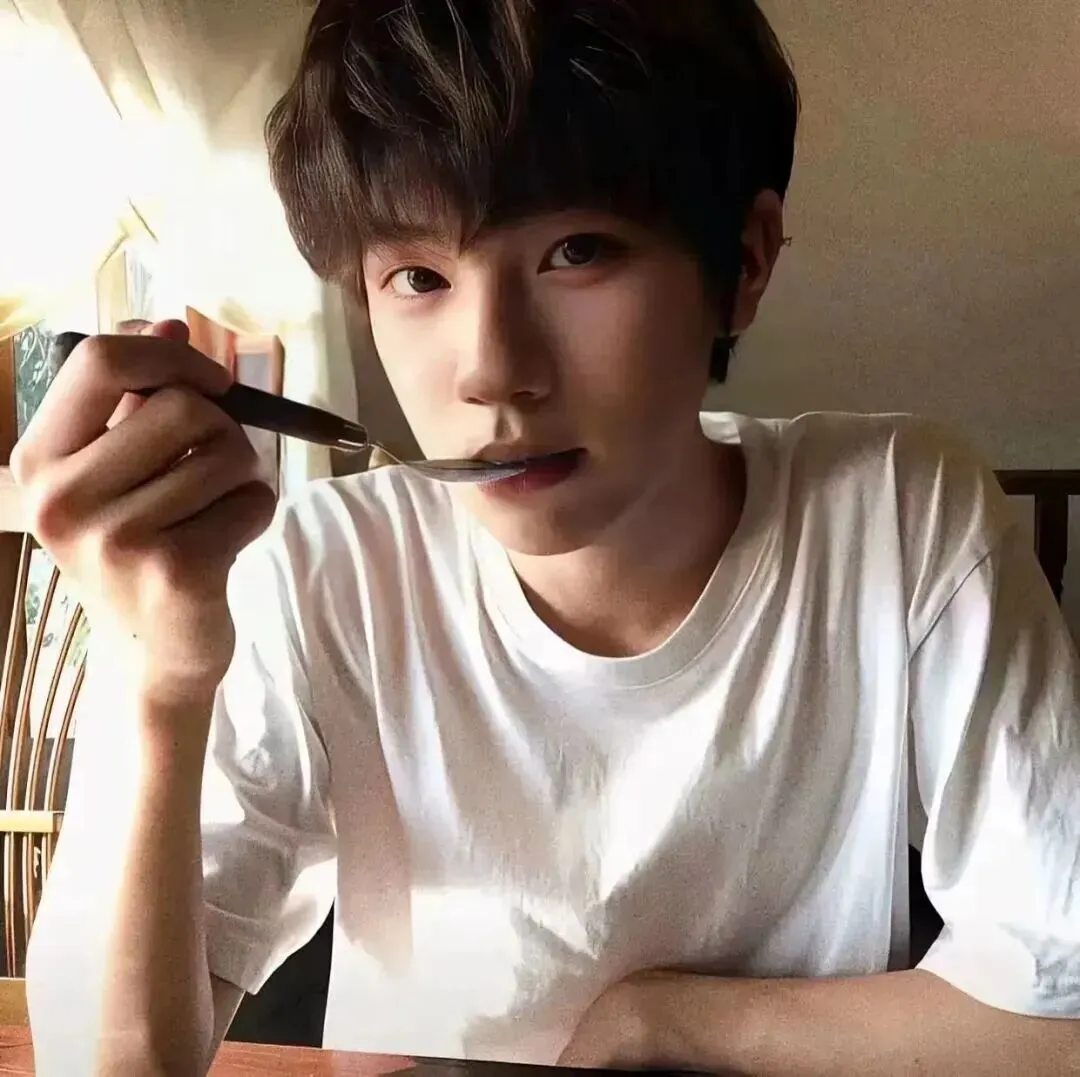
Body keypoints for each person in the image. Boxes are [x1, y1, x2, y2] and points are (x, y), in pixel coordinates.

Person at [16, 1, 1080, 1074]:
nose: (491, 369)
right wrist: (161, 678)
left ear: (745, 263)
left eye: (577, 252)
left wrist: (668, 1022)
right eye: (420, 277)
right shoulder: (325, 571)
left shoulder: (895, 515)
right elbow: (99, 1063)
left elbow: (1064, 1002)